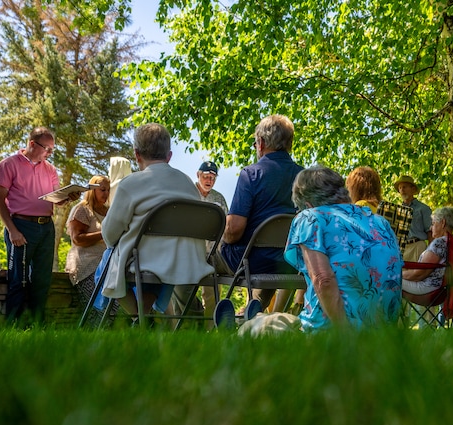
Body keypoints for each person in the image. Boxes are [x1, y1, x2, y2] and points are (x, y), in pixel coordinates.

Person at [100, 123, 213, 318]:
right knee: (150, 274)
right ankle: (144, 318)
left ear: (137, 155)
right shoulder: (187, 184)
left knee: (107, 260)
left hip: (145, 261)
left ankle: (138, 317)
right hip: (185, 261)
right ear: (169, 156)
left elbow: (109, 235)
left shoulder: (131, 184)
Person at [283, 166, 403, 331]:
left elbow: (323, 280)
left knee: (259, 326)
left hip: (331, 331)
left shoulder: (310, 217)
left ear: (308, 204)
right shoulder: (381, 222)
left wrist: (346, 336)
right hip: (383, 334)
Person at [0, 126, 77, 325]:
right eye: (46, 148)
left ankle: (37, 326)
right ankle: (14, 326)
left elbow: (56, 199)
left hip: (46, 228)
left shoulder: (50, 169)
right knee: (18, 280)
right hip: (21, 226)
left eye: (52, 150)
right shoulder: (8, 165)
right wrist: (12, 230)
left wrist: (68, 198)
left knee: (42, 280)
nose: (49, 153)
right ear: (32, 144)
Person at [221, 114, 304, 310]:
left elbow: (234, 231)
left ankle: (195, 316)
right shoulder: (304, 177)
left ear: (261, 142)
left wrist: (221, 236)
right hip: (289, 261)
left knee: (201, 253)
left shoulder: (251, 174)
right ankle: (250, 312)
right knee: (273, 260)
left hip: (249, 261)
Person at [170, 160, 229, 326]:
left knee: (212, 292)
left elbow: (226, 226)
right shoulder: (187, 194)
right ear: (198, 175)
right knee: (182, 289)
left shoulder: (219, 198)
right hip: (187, 252)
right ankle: (183, 326)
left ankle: (210, 327)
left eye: (213, 177)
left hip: (211, 254)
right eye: (206, 176)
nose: (209, 180)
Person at [65, 175, 110, 308]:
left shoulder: (109, 211)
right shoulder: (82, 209)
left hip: (108, 265)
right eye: (102, 190)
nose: (106, 193)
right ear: (92, 190)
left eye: (108, 190)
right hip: (87, 266)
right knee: (104, 307)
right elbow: (77, 239)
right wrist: (105, 234)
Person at [402, 207, 453, 295]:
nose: (431, 228)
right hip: (441, 288)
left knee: (387, 279)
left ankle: (381, 308)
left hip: (427, 287)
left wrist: (398, 274)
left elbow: (419, 274)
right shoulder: (452, 241)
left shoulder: (439, 243)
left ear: (442, 223)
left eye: (433, 223)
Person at [394, 175, 432, 261]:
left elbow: (430, 232)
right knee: (402, 274)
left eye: (404, 187)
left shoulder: (423, 209)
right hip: (402, 249)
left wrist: (430, 252)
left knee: (418, 273)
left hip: (418, 246)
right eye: (400, 188)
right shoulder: (397, 210)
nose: (402, 190)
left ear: (413, 189)